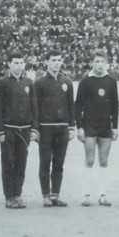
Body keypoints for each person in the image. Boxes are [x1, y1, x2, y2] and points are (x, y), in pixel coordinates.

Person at [0, 50, 39, 209]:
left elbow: (34, 107)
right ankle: (9, 196)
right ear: (9, 64)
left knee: (21, 163)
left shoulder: (29, 83)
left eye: (21, 63)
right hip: (8, 129)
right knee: (8, 163)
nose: (19, 66)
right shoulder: (2, 83)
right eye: (15, 63)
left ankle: (18, 194)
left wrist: (34, 128)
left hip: (25, 130)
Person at [75, 50, 119, 207]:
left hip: (105, 126)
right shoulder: (86, 81)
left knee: (104, 161)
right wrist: (79, 127)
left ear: (106, 63)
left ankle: (103, 195)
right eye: (97, 61)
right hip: (89, 126)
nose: (99, 64)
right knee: (90, 159)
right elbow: (78, 105)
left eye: (102, 61)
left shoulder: (111, 81)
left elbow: (115, 106)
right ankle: (86, 195)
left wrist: (115, 127)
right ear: (92, 63)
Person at [34, 50, 75, 207]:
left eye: (59, 60)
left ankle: (55, 195)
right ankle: (45, 195)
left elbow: (71, 106)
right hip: (45, 128)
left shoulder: (67, 82)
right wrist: (35, 129)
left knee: (59, 163)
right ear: (47, 62)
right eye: (53, 60)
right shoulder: (39, 83)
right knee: (45, 162)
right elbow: (35, 108)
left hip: (62, 128)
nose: (57, 63)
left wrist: (71, 127)